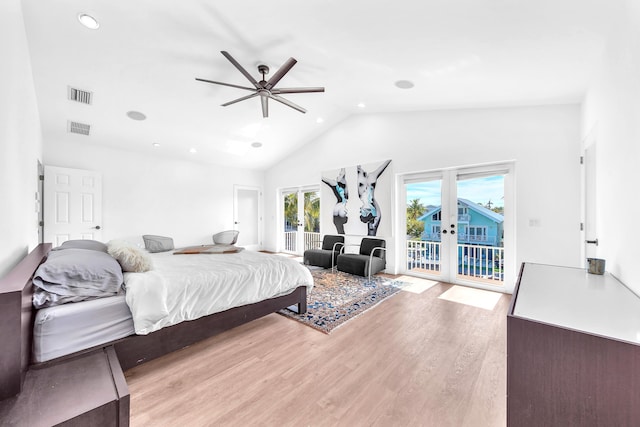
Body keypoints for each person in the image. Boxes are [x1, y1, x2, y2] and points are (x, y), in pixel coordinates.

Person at [357, 160, 391, 236]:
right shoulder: (371, 178)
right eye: (365, 211)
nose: (361, 210)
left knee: (372, 230)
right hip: (372, 204)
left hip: (372, 206)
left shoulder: (362, 196)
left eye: (362, 211)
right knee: (372, 229)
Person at [322, 168, 348, 234]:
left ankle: (341, 241)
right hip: (340, 207)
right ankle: (341, 241)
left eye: (340, 175)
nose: (337, 176)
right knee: (340, 229)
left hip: (340, 207)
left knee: (340, 229)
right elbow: (324, 179)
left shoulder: (340, 184)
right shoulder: (335, 184)